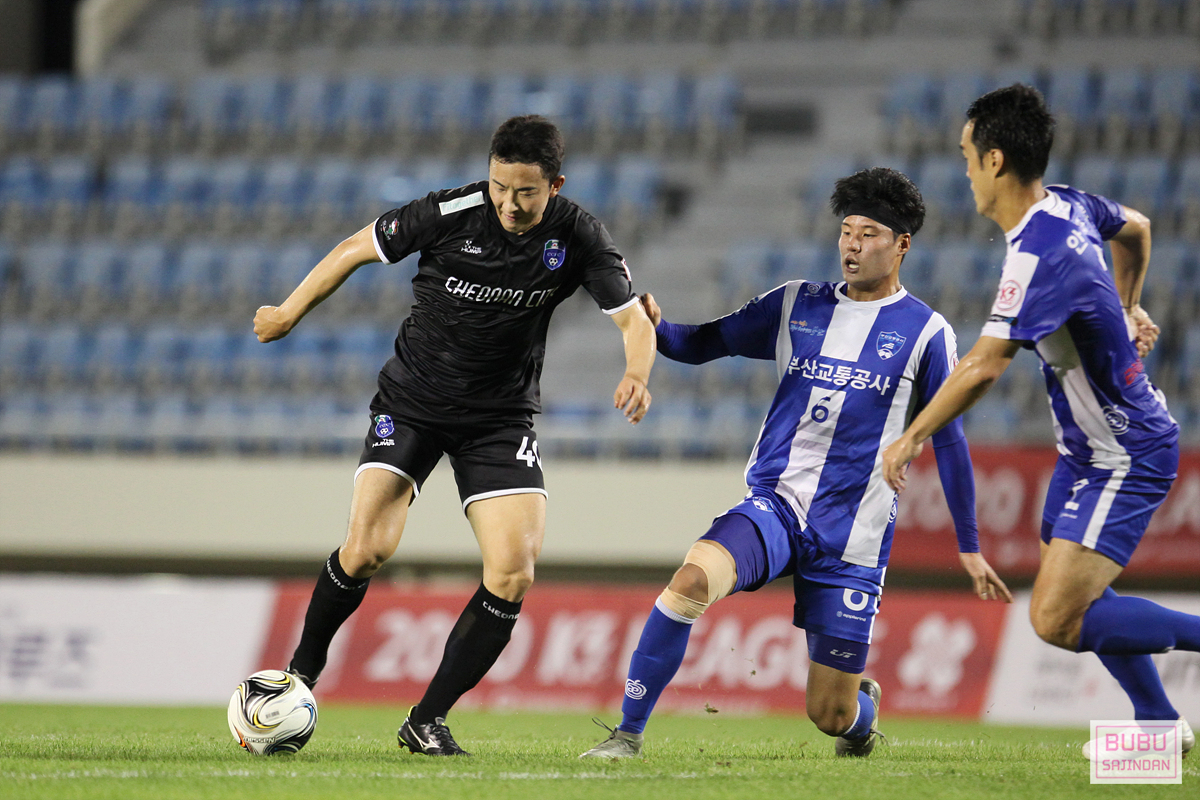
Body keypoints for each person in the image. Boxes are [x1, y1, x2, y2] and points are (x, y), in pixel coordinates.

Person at [253, 115, 656, 756]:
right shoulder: (449, 212)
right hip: (412, 402)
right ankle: (298, 679)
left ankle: (427, 720)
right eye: (500, 187)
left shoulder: (578, 234)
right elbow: (353, 248)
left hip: (499, 418)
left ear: (555, 185)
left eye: (526, 192)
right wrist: (287, 312)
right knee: (367, 549)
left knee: (513, 573)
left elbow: (634, 319)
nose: (509, 203)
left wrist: (636, 373)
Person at [580, 167, 1011, 760]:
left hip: (852, 539)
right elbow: (702, 343)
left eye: (869, 234)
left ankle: (860, 713)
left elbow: (951, 440)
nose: (852, 245)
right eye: (846, 231)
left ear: (902, 245)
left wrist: (969, 544)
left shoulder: (927, 333)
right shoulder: (795, 303)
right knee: (690, 582)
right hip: (776, 506)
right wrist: (657, 327)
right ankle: (627, 735)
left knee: (830, 715)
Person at [881, 84, 1198, 759]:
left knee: (1054, 618)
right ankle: (1157, 729)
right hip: (1088, 453)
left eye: (966, 155)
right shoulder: (1069, 206)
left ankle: (1163, 713)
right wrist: (1127, 307)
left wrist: (910, 438)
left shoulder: (1036, 255)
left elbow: (984, 367)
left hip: (1125, 453)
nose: (964, 169)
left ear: (994, 160)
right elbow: (1138, 228)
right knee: (1077, 588)